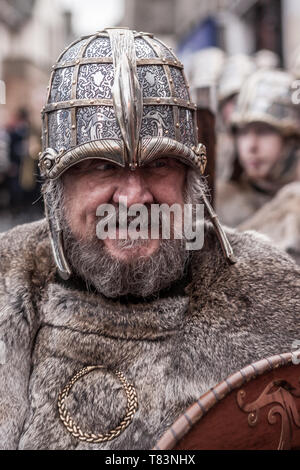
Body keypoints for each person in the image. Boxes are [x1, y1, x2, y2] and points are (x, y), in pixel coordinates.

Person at [0, 28, 299, 451]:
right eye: (102, 165)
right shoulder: (10, 278)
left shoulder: (271, 293)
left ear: (189, 180)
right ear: (59, 185)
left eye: (160, 163)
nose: (133, 196)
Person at [216, 69, 300, 227]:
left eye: (263, 131)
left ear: (290, 139)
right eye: (243, 132)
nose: (251, 146)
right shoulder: (218, 204)